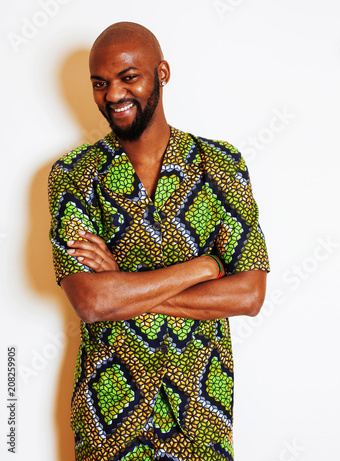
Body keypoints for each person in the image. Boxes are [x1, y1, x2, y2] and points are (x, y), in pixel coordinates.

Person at [48, 21, 270, 461]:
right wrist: (204, 269)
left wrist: (123, 287)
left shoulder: (220, 165)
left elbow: (249, 293)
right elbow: (91, 303)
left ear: (162, 73)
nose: (113, 95)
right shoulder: (72, 175)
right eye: (100, 83)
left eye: (128, 77)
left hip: (200, 411)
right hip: (108, 414)